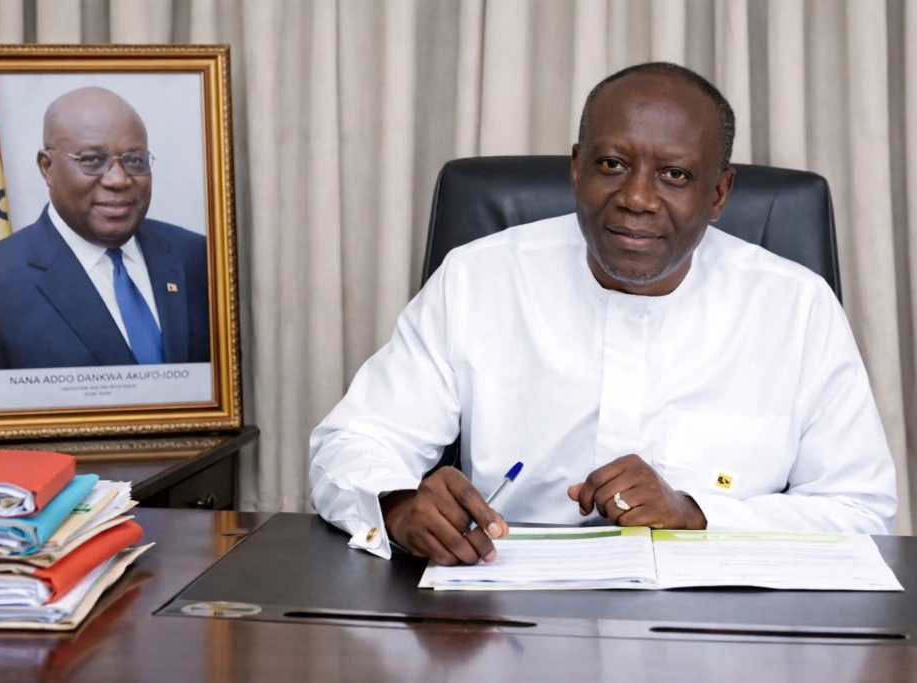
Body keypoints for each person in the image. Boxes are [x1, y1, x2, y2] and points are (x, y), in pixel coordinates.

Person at [309, 62, 897, 565]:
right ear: (576, 169)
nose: (637, 198)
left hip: (716, 624)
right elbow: (353, 443)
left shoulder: (796, 307)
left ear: (719, 193)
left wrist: (697, 516)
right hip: (505, 610)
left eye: (674, 175)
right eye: (612, 164)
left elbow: (860, 511)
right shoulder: (477, 279)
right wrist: (398, 505)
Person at [0, 86, 210, 371]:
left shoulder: (199, 257)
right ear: (47, 167)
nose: (118, 180)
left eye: (134, 160)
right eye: (92, 160)